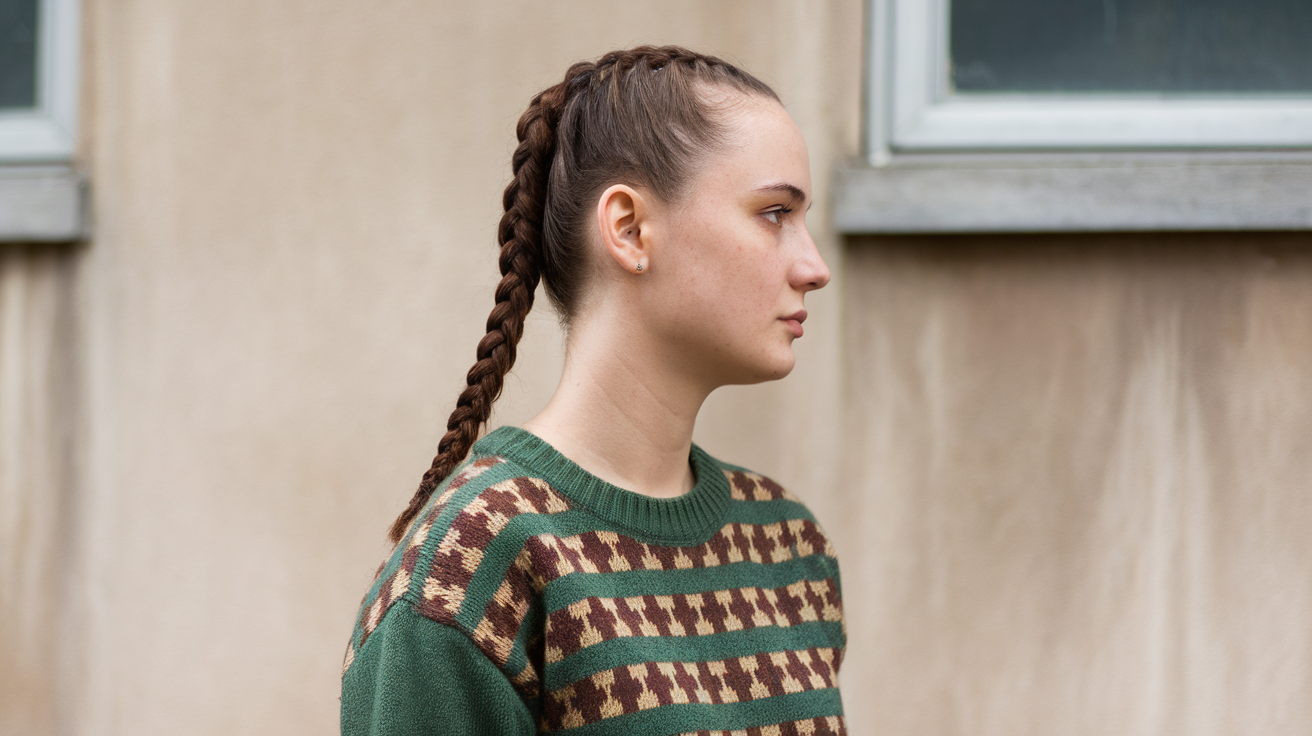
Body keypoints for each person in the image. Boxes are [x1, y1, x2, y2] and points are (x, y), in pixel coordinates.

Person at [341, 45, 843, 736]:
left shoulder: (786, 543)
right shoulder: (472, 570)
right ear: (631, 229)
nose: (814, 266)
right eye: (774, 213)